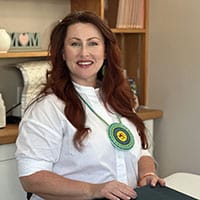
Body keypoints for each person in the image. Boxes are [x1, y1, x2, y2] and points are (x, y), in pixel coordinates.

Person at [15, 11, 165, 200]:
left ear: (105, 51)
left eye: (93, 43)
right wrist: (94, 189)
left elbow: (141, 152)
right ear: (62, 52)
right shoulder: (47, 108)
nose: (84, 52)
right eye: (75, 44)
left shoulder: (119, 98)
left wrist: (147, 175)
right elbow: (32, 178)